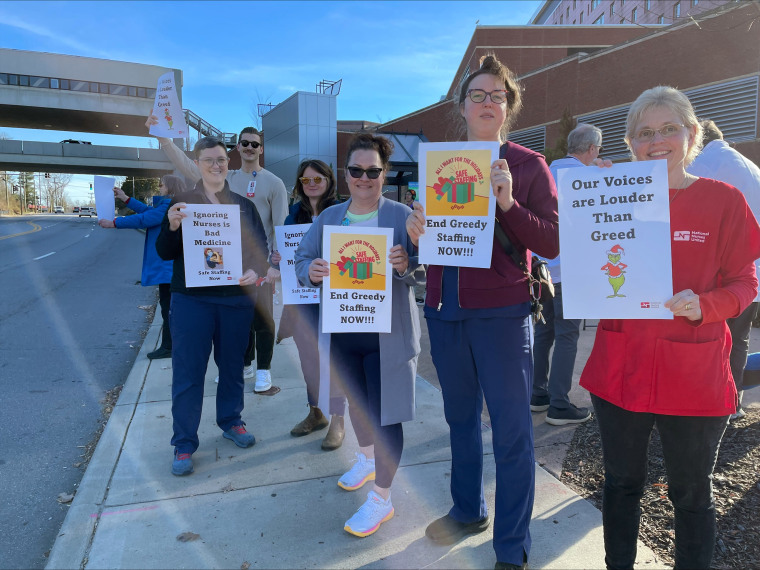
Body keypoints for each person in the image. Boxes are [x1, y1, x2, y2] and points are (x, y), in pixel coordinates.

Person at [579, 86, 760, 569]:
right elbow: (577, 258)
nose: (656, 141)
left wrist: (707, 305)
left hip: (693, 369)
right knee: (620, 483)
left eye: (668, 130)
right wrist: (588, 198)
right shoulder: (609, 194)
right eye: (644, 133)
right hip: (621, 366)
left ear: (692, 134)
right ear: (630, 142)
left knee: (691, 490)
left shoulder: (723, 201)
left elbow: (746, 282)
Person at [406, 54, 559, 570]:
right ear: (463, 106)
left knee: (513, 431)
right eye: (478, 95)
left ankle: (511, 548)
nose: (488, 102)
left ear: (509, 106)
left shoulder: (528, 165)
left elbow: (553, 242)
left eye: (498, 95)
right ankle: (467, 509)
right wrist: (417, 230)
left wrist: (510, 204)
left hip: (503, 313)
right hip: (444, 311)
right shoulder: (440, 165)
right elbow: (432, 243)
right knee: (459, 420)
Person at [294, 133, 424, 537]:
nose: (364, 178)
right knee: (355, 404)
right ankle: (367, 460)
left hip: (388, 337)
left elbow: (425, 272)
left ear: (384, 175)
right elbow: (302, 259)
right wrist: (310, 271)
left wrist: (406, 264)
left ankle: (382, 499)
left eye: (373, 171)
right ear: (345, 174)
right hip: (345, 332)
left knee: (387, 417)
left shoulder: (402, 216)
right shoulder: (329, 219)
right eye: (356, 170)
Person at [155, 136, 270, 477]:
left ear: (228, 163)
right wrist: (173, 226)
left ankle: (231, 421)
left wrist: (254, 271)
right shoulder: (182, 204)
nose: (216, 165)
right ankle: (184, 442)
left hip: (234, 301)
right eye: (209, 160)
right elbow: (163, 251)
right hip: (192, 301)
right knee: (189, 372)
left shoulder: (242, 206)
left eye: (221, 160)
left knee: (232, 367)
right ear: (198, 164)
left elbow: (259, 251)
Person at [147, 117, 288, 392]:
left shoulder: (274, 183)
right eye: (243, 143)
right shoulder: (226, 176)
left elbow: (280, 225)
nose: (248, 147)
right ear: (237, 148)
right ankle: (244, 364)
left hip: (256, 262)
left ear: (261, 148)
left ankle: (264, 371)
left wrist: (273, 264)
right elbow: (189, 165)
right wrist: (165, 141)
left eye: (254, 144)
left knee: (263, 319)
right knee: (240, 322)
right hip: (223, 265)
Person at [531, 123, 608, 425]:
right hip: (571, 270)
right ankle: (559, 404)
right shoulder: (591, 177)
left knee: (543, 332)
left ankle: (538, 394)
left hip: (540, 269)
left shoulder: (544, 174)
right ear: (591, 149)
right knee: (567, 335)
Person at [271, 159, 346, 450]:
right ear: (299, 184)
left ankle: (338, 419)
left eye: (317, 179)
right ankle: (316, 412)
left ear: (329, 180)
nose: (312, 184)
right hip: (303, 300)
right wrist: (277, 258)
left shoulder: (342, 213)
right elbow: (286, 254)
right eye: (306, 180)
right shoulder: (294, 216)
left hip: (335, 300)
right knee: (308, 359)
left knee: (335, 360)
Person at [688, 119, 760, 420]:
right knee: (739, 340)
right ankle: (733, 403)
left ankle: (705, 403)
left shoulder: (703, 165)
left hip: (717, 275)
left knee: (707, 342)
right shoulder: (753, 168)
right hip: (751, 273)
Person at [99, 175, 186, 360]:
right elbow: (147, 211)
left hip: (167, 268)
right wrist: (125, 198)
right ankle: (171, 345)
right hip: (168, 267)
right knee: (169, 307)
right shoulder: (168, 205)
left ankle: (169, 347)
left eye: (161, 185)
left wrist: (113, 223)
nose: (159, 188)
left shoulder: (169, 205)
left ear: (169, 187)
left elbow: (144, 219)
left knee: (168, 308)